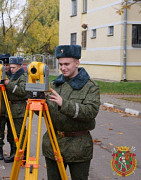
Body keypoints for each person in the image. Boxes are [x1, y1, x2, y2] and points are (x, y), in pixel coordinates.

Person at [42, 45, 100, 180]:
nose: (63, 68)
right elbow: (46, 113)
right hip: (53, 145)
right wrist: (37, 104)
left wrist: (64, 104)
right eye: (61, 64)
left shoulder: (90, 87)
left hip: (78, 148)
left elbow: (90, 112)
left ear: (77, 63)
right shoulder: (55, 85)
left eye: (67, 64)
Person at [3, 56, 28, 163]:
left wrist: (8, 84)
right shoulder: (13, 76)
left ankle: (23, 153)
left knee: (19, 133)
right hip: (10, 108)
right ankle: (14, 152)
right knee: (11, 133)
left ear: (19, 66)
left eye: (13, 67)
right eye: (11, 67)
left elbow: (23, 91)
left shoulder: (23, 76)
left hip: (19, 109)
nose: (11, 69)